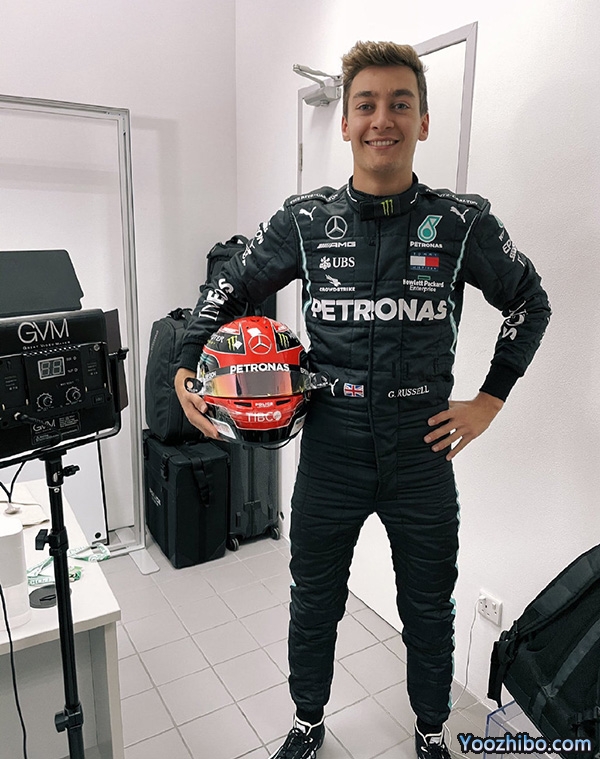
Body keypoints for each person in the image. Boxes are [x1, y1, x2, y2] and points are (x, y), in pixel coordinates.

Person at [175, 40, 550, 759]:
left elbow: (530, 301)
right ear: (345, 122)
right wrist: (187, 360)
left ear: (424, 121)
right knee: (314, 603)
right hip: (332, 449)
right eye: (367, 105)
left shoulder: (461, 222)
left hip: (423, 451)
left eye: (400, 104)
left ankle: (431, 730)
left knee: (429, 611)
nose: (383, 119)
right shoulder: (305, 220)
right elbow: (231, 285)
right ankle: (307, 721)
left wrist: (490, 400)